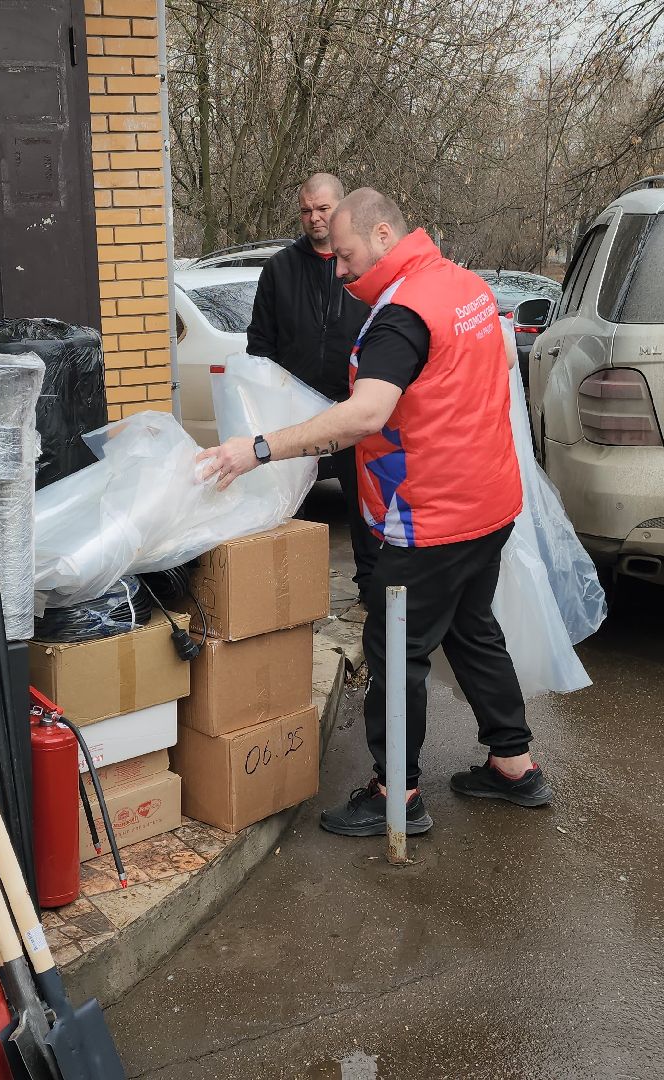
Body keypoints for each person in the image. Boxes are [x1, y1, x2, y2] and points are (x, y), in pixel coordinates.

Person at [200, 188, 546, 837]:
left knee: (395, 648)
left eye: (347, 254)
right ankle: (513, 765)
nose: (338, 269)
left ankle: (396, 795)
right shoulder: (463, 286)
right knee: (471, 628)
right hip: (489, 502)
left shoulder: (400, 316)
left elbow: (363, 415)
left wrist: (260, 448)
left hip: (431, 516)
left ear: (383, 234)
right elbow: (496, 360)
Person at [245, 173, 375, 591]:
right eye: (306, 210)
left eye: (323, 209)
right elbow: (259, 346)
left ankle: (371, 592)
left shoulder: (362, 267)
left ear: (342, 209)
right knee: (284, 509)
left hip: (352, 409)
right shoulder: (280, 270)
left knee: (365, 509)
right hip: (293, 413)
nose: (314, 218)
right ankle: (286, 596)